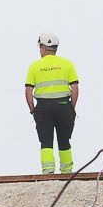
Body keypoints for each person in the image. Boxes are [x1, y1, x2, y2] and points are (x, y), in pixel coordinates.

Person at [23, 33, 80, 174]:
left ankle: (48, 171)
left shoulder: (34, 66)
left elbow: (28, 90)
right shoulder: (67, 64)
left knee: (46, 142)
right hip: (64, 106)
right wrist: (71, 108)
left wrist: (33, 110)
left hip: (43, 108)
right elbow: (74, 87)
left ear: (43, 48)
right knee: (64, 140)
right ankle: (67, 171)